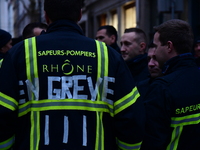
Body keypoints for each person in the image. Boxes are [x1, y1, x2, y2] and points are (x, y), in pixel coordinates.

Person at [0, 0, 145, 149]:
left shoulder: (19, 54)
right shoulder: (108, 55)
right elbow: (130, 117)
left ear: (46, 16)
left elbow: (3, 115)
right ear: (80, 15)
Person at [141, 19, 200, 149]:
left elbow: (152, 141)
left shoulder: (162, 88)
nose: (154, 52)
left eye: (156, 46)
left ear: (169, 46)